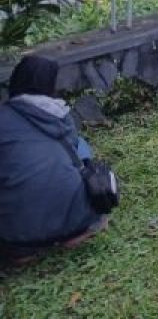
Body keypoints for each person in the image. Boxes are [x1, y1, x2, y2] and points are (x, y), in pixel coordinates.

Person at [0, 55, 110, 263]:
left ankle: (26, 249)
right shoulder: (59, 114)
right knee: (81, 145)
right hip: (75, 220)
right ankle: (74, 234)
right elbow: (78, 154)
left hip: (17, 234)